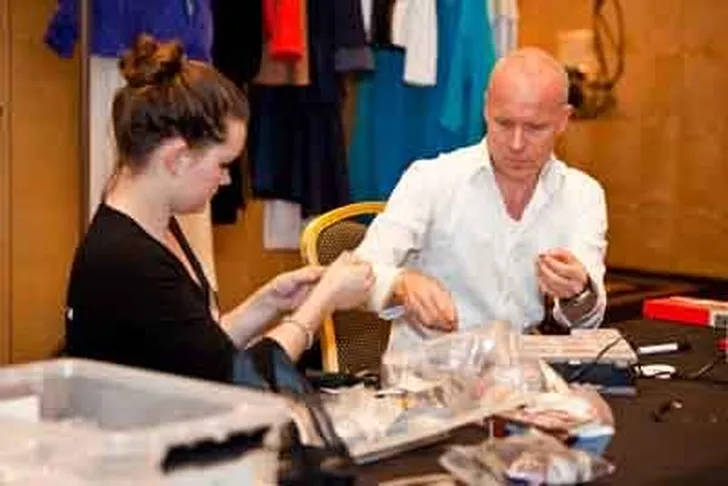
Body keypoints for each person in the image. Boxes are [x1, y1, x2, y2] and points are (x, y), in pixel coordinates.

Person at [65, 35, 373, 382]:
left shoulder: (155, 227)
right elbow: (242, 380)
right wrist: (321, 304)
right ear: (178, 159)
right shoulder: (127, 260)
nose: (226, 180)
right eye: (223, 164)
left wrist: (268, 303)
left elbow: (199, 353)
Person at [355, 47, 608, 351]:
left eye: (534, 128)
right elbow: (358, 272)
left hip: (522, 372)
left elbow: (587, 321)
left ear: (563, 120)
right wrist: (399, 283)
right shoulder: (431, 179)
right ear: (486, 108)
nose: (516, 144)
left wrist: (578, 293)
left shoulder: (582, 195)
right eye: (504, 123)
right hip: (430, 372)